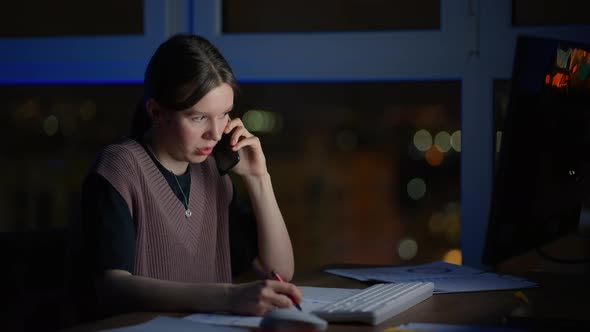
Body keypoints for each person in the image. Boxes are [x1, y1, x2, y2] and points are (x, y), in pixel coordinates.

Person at [74, 34, 301, 320]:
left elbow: (279, 272)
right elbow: (113, 287)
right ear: (156, 111)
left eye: (224, 115)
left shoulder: (213, 172)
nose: (216, 133)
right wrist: (228, 297)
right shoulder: (121, 166)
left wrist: (258, 178)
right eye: (198, 118)